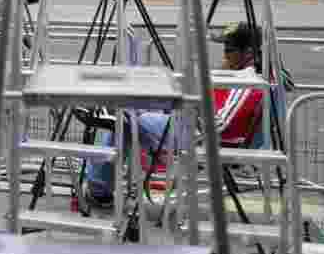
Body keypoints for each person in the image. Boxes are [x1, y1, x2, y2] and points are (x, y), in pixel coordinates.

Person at [83, 22, 267, 207]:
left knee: (125, 122)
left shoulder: (247, 82)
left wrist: (193, 109)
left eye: (229, 50)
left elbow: (220, 127)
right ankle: (116, 119)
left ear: (249, 53)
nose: (224, 55)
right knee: (132, 114)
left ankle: (99, 189)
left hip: (198, 136)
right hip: (192, 125)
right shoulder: (242, 76)